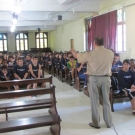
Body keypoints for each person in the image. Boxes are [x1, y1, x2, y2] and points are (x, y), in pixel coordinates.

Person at [70, 36, 114, 129]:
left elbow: (79, 58)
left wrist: (73, 51)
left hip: (94, 79)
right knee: (106, 101)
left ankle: (96, 123)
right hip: (106, 79)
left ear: (94, 43)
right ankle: (109, 123)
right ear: (103, 43)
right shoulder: (110, 52)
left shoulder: (91, 54)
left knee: (95, 102)